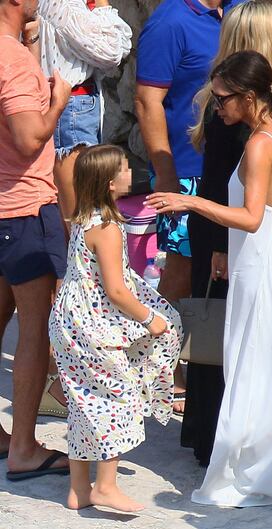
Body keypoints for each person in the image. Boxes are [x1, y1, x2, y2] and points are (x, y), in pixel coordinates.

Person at [146, 50, 272, 507]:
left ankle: (257, 464)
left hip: (262, 258)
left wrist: (192, 203)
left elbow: (252, 217)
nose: (217, 108)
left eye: (222, 100)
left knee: (254, 357)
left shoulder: (260, 143)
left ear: (250, 95)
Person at [183, 0, 272, 467]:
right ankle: (217, 438)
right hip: (225, 234)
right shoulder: (235, 113)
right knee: (227, 337)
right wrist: (222, 245)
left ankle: (217, 435)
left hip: (224, 228)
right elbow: (224, 184)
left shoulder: (235, 105)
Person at [49, 145, 182, 511]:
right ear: (110, 183)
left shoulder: (83, 218)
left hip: (68, 321)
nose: (132, 174)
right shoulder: (107, 228)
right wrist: (149, 318)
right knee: (116, 397)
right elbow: (116, 289)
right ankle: (105, 486)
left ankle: (79, 489)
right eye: (126, 169)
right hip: (91, 327)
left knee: (83, 401)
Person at [135, 0, 243, 414]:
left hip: (234, 165)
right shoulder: (171, 20)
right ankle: (158, 368)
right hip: (188, 170)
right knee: (181, 273)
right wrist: (164, 171)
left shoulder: (238, 9)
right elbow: (147, 101)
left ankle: (199, 367)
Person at [37, 0, 132, 417]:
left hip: (78, 107)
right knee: (75, 247)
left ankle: (61, 371)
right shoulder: (60, 3)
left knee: (76, 247)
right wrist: (105, 11)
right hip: (70, 109)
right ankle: (61, 377)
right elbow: (112, 48)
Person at [0, 0, 72, 480]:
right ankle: (24, 447)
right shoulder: (13, 60)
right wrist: (59, 101)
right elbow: (28, 139)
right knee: (34, 328)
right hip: (23, 207)